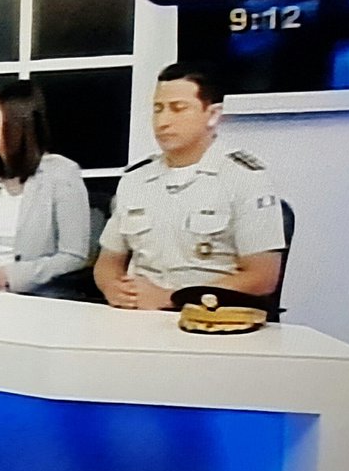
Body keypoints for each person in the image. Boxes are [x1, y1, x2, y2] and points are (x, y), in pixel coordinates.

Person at [94, 62, 285, 310]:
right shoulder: (135, 179)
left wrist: (171, 298)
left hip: (210, 316)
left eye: (178, 109)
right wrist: (113, 288)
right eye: (158, 109)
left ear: (213, 115)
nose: (162, 121)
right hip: (138, 314)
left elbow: (262, 277)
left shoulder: (244, 177)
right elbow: (108, 262)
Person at [0, 80, 90, 293]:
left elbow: (74, 255)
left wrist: (10, 277)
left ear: (16, 122)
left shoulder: (63, 173)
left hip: (41, 299)